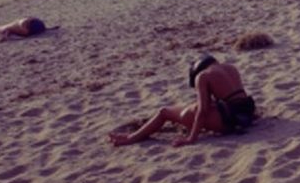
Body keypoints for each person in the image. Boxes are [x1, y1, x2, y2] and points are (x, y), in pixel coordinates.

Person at [108, 55, 255, 147]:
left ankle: (131, 138)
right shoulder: (231, 67)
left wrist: (191, 138)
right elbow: (233, 97)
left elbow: (202, 110)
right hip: (247, 113)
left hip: (228, 120)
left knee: (164, 112)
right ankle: (133, 136)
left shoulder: (202, 76)